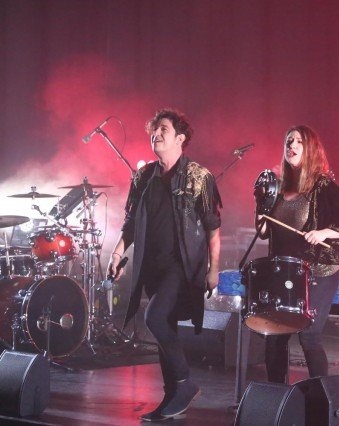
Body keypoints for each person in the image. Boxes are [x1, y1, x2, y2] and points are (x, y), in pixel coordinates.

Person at [108, 108, 222, 421]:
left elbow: (213, 228)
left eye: (163, 130)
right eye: (154, 130)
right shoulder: (143, 177)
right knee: (164, 326)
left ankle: (185, 383)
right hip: (152, 265)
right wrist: (117, 255)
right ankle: (172, 398)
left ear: (180, 139)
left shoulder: (199, 177)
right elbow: (131, 222)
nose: (155, 135)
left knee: (155, 317)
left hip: (182, 265)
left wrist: (213, 268)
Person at [256, 125, 339, 383]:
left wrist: (322, 233)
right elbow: (264, 231)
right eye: (289, 140)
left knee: (309, 335)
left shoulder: (323, 186)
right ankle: (277, 395)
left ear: (310, 148)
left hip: (318, 271)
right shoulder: (278, 187)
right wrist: (261, 207)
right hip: (285, 270)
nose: (291, 145)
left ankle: (320, 397)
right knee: (275, 335)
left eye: (298, 141)